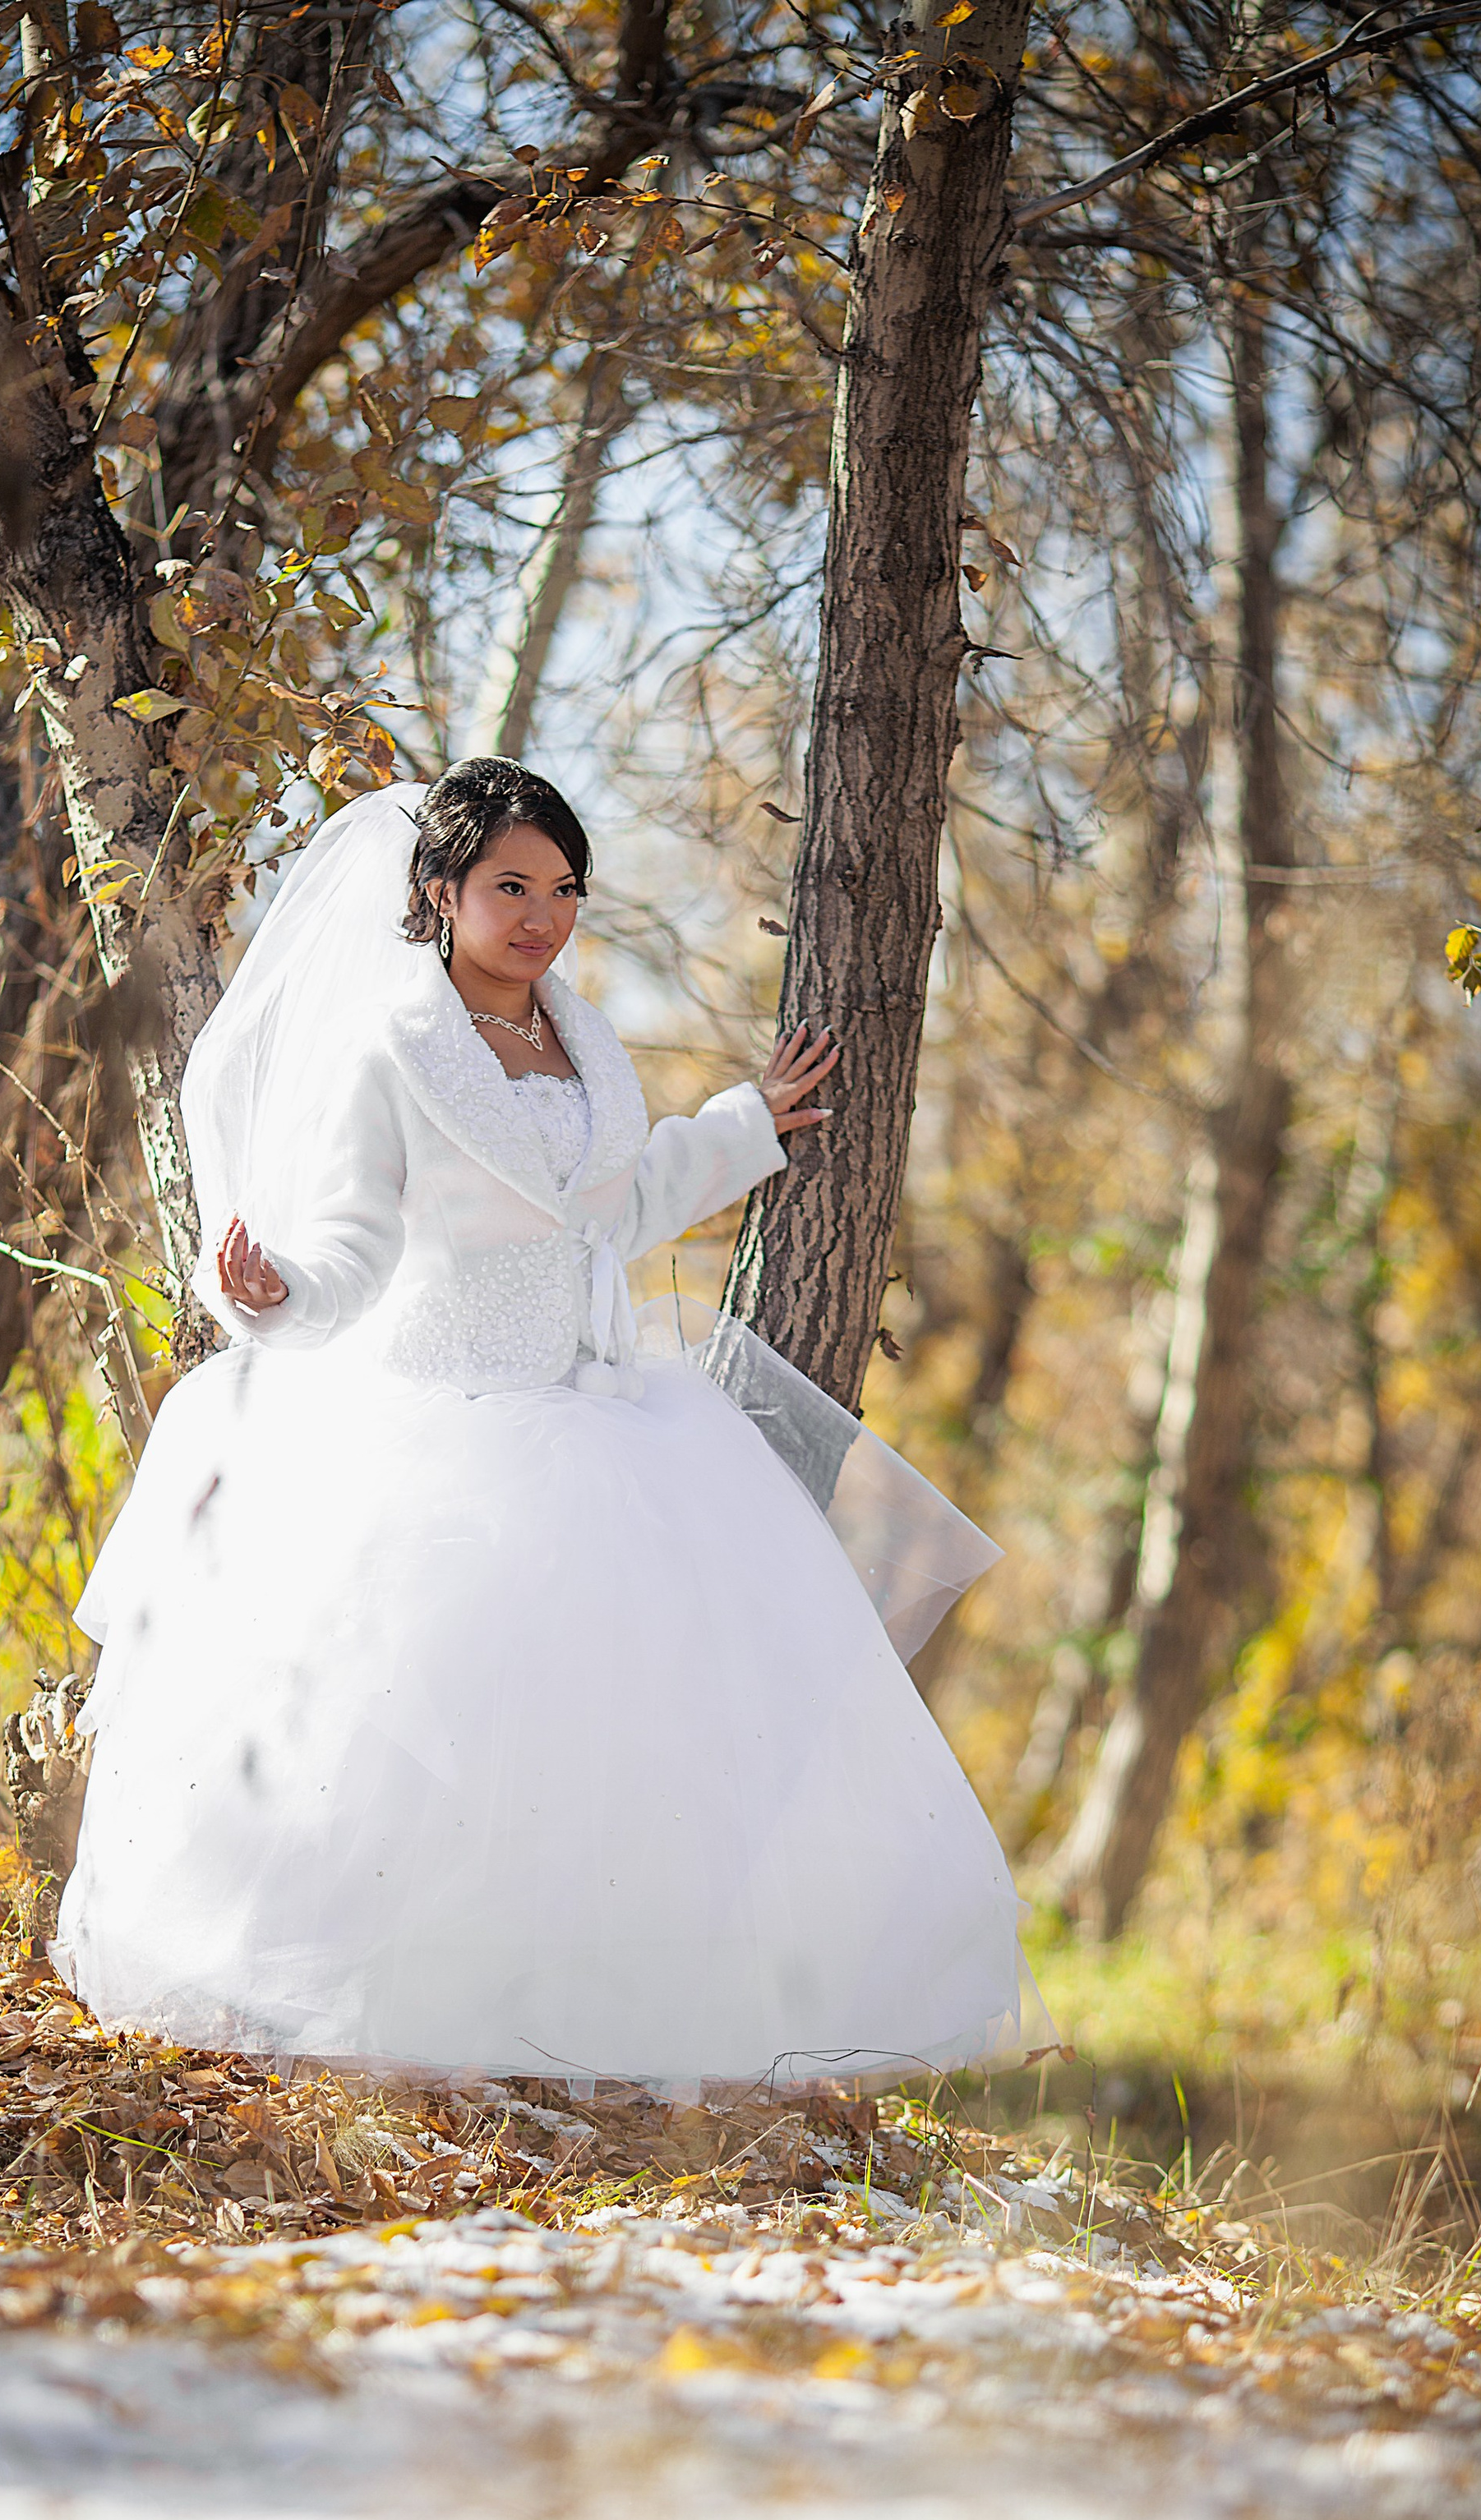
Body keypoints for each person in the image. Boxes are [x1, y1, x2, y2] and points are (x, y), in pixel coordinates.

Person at [52, 762, 1048, 2091]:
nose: (542, 916)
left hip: (609, 1414)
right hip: (447, 1424)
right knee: (435, 1759)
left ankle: (605, 2036)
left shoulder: (583, 1038)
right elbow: (352, 1241)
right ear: (440, 892)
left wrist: (750, 1123)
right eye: (511, 886)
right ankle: (416, 2040)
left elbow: (617, 1208)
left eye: (564, 888)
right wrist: (274, 1285)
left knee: (628, 1753)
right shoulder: (389, 1053)